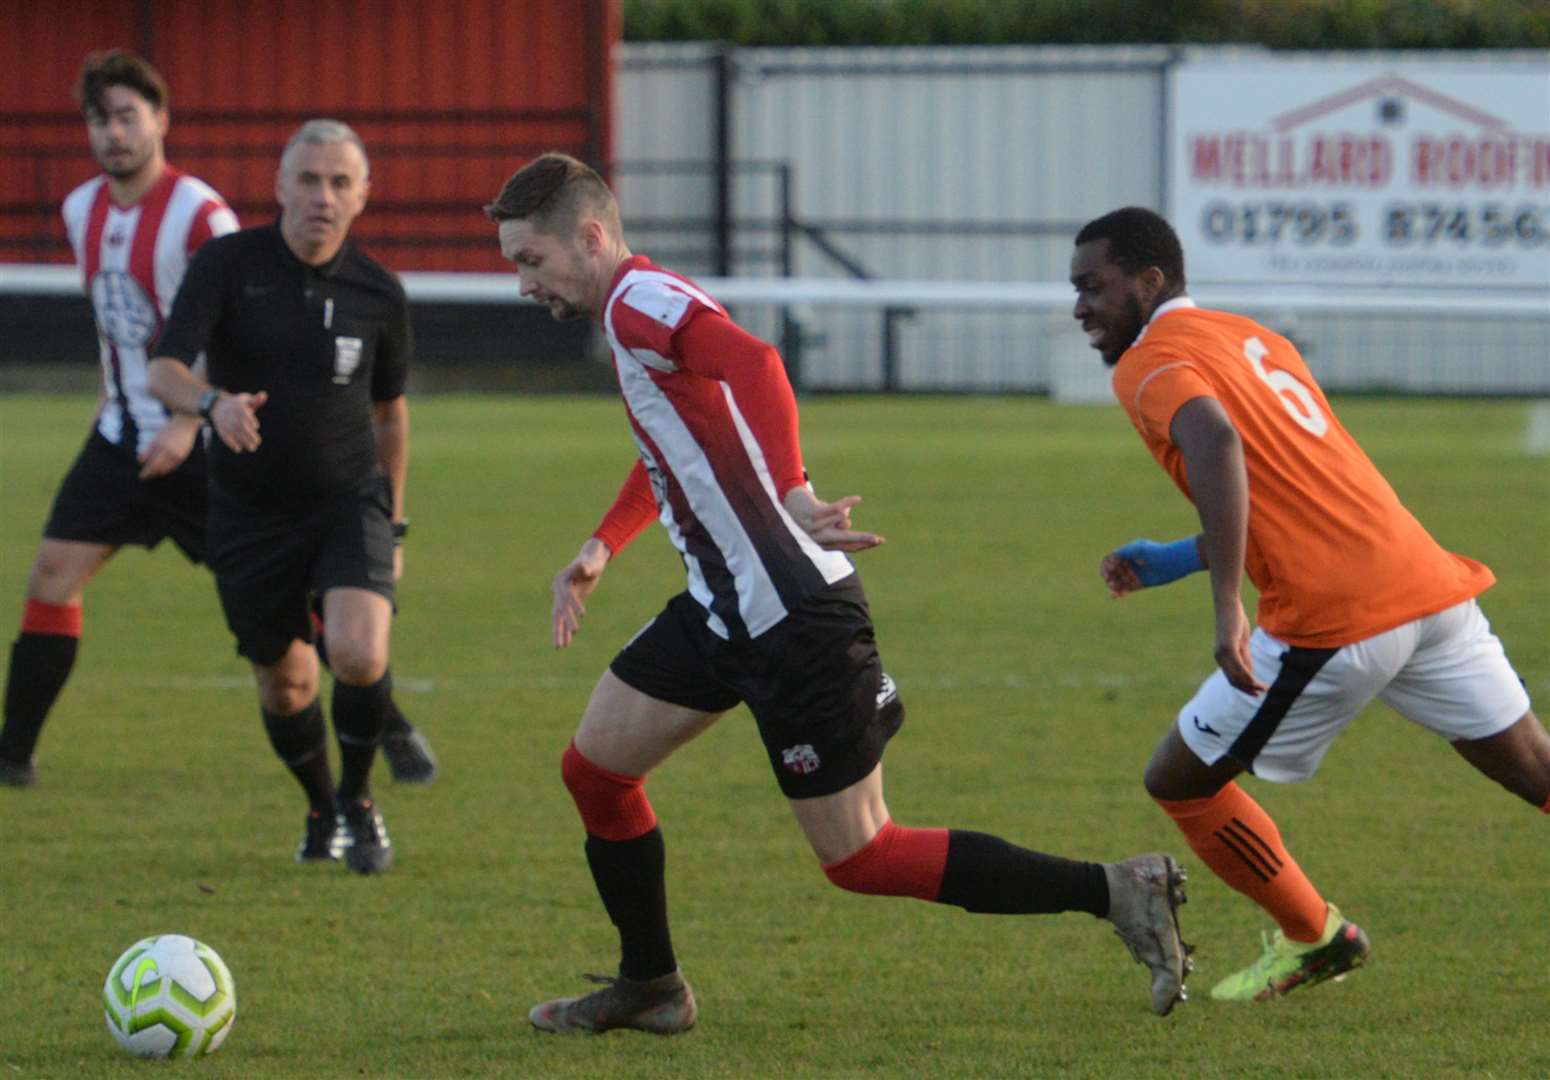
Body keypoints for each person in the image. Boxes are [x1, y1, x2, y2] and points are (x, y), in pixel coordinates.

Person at [485, 153, 1194, 1034]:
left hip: (792, 618)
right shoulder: (635, 311)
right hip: (723, 608)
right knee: (594, 772)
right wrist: (601, 546)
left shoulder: (637, 299)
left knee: (862, 856)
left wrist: (789, 490)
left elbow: (756, 364)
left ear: (590, 237)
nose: (524, 284)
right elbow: (672, 438)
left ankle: (1120, 891)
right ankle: (652, 987)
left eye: (530, 260)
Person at [1071, 205, 1550, 1003]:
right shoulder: (1252, 336)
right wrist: (1186, 558)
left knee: (1180, 781)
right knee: (1535, 768)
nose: (1081, 306)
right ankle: (1317, 936)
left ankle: (1317, 935)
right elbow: (1297, 486)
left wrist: (1228, 604)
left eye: (1095, 286)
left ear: (1149, 283)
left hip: (1339, 619)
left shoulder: (1148, 363)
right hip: (1425, 586)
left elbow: (1217, 442)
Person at [0, 52, 436, 796]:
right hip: (122, 441)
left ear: (160, 121)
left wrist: (188, 418)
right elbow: (120, 329)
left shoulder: (202, 215)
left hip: (213, 444)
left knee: (305, 608)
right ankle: (13, 755)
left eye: (127, 116)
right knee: (51, 575)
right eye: (99, 119)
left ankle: (385, 722)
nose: (113, 134)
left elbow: (242, 327)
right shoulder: (80, 210)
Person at [147, 119, 414, 874]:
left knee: (358, 653)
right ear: (279, 187)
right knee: (285, 679)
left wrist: (393, 523)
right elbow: (164, 369)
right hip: (248, 512)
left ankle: (360, 803)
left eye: (339, 182)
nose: (321, 197)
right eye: (307, 179)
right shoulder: (227, 265)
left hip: (348, 503)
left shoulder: (379, 292)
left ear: (363, 195)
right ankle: (320, 805)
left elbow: (391, 416)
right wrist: (211, 405)